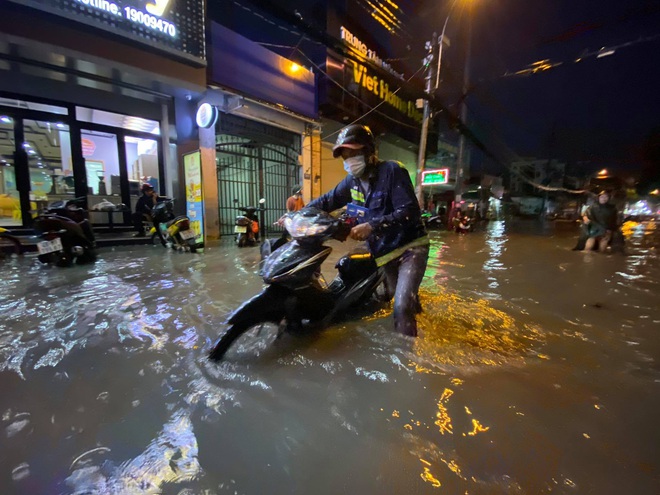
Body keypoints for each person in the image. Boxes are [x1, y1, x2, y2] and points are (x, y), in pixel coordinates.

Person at [307, 124, 429, 336]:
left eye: (354, 153)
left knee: (400, 307)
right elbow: (327, 201)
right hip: (384, 252)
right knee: (395, 296)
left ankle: (409, 359)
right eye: (345, 155)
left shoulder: (393, 171)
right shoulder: (351, 182)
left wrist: (372, 225)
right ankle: (416, 308)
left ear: (369, 151)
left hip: (410, 248)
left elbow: (409, 211)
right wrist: (297, 214)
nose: (349, 160)